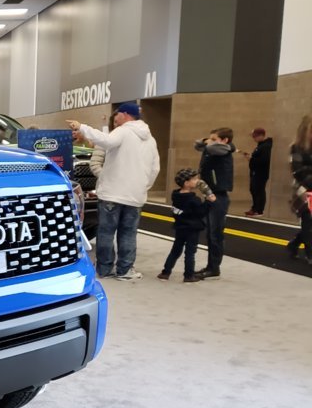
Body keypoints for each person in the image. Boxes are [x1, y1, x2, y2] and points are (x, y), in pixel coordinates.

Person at [67, 102, 160, 281]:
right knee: (129, 233)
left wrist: (82, 127)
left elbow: (106, 141)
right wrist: (143, 186)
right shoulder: (151, 139)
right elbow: (155, 168)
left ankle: (104, 268)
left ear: (124, 115)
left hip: (113, 193)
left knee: (106, 232)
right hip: (135, 196)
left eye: (117, 114)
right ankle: (125, 270)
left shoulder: (123, 131)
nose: (115, 117)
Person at [158, 168, 216, 283]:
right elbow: (200, 213)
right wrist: (209, 202)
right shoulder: (193, 199)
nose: (198, 181)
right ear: (186, 183)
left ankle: (165, 272)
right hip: (192, 229)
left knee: (175, 250)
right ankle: (189, 275)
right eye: (194, 179)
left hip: (180, 227)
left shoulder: (176, 196)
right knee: (190, 252)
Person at [193, 127, 236, 280]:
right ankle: (211, 266)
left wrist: (208, 142)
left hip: (219, 196)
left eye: (214, 138)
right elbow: (197, 144)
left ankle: (214, 268)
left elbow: (211, 147)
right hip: (210, 195)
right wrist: (207, 140)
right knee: (210, 234)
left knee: (215, 234)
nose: (209, 142)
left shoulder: (223, 150)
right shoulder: (212, 148)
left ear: (225, 140)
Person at [287, 115, 312, 264]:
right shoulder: (296, 147)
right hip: (303, 190)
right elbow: (298, 171)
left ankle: (294, 244)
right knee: (308, 223)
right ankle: (310, 254)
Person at [243, 127, 272, 216]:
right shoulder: (260, 145)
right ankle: (255, 207)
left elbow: (264, 160)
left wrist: (251, 159)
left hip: (261, 172)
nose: (254, 139)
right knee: (254, 189)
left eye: (255, 136)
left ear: (262, 136)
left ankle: (259, 209)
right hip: (256, 171)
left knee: (258, 190)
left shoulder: (266, 146)